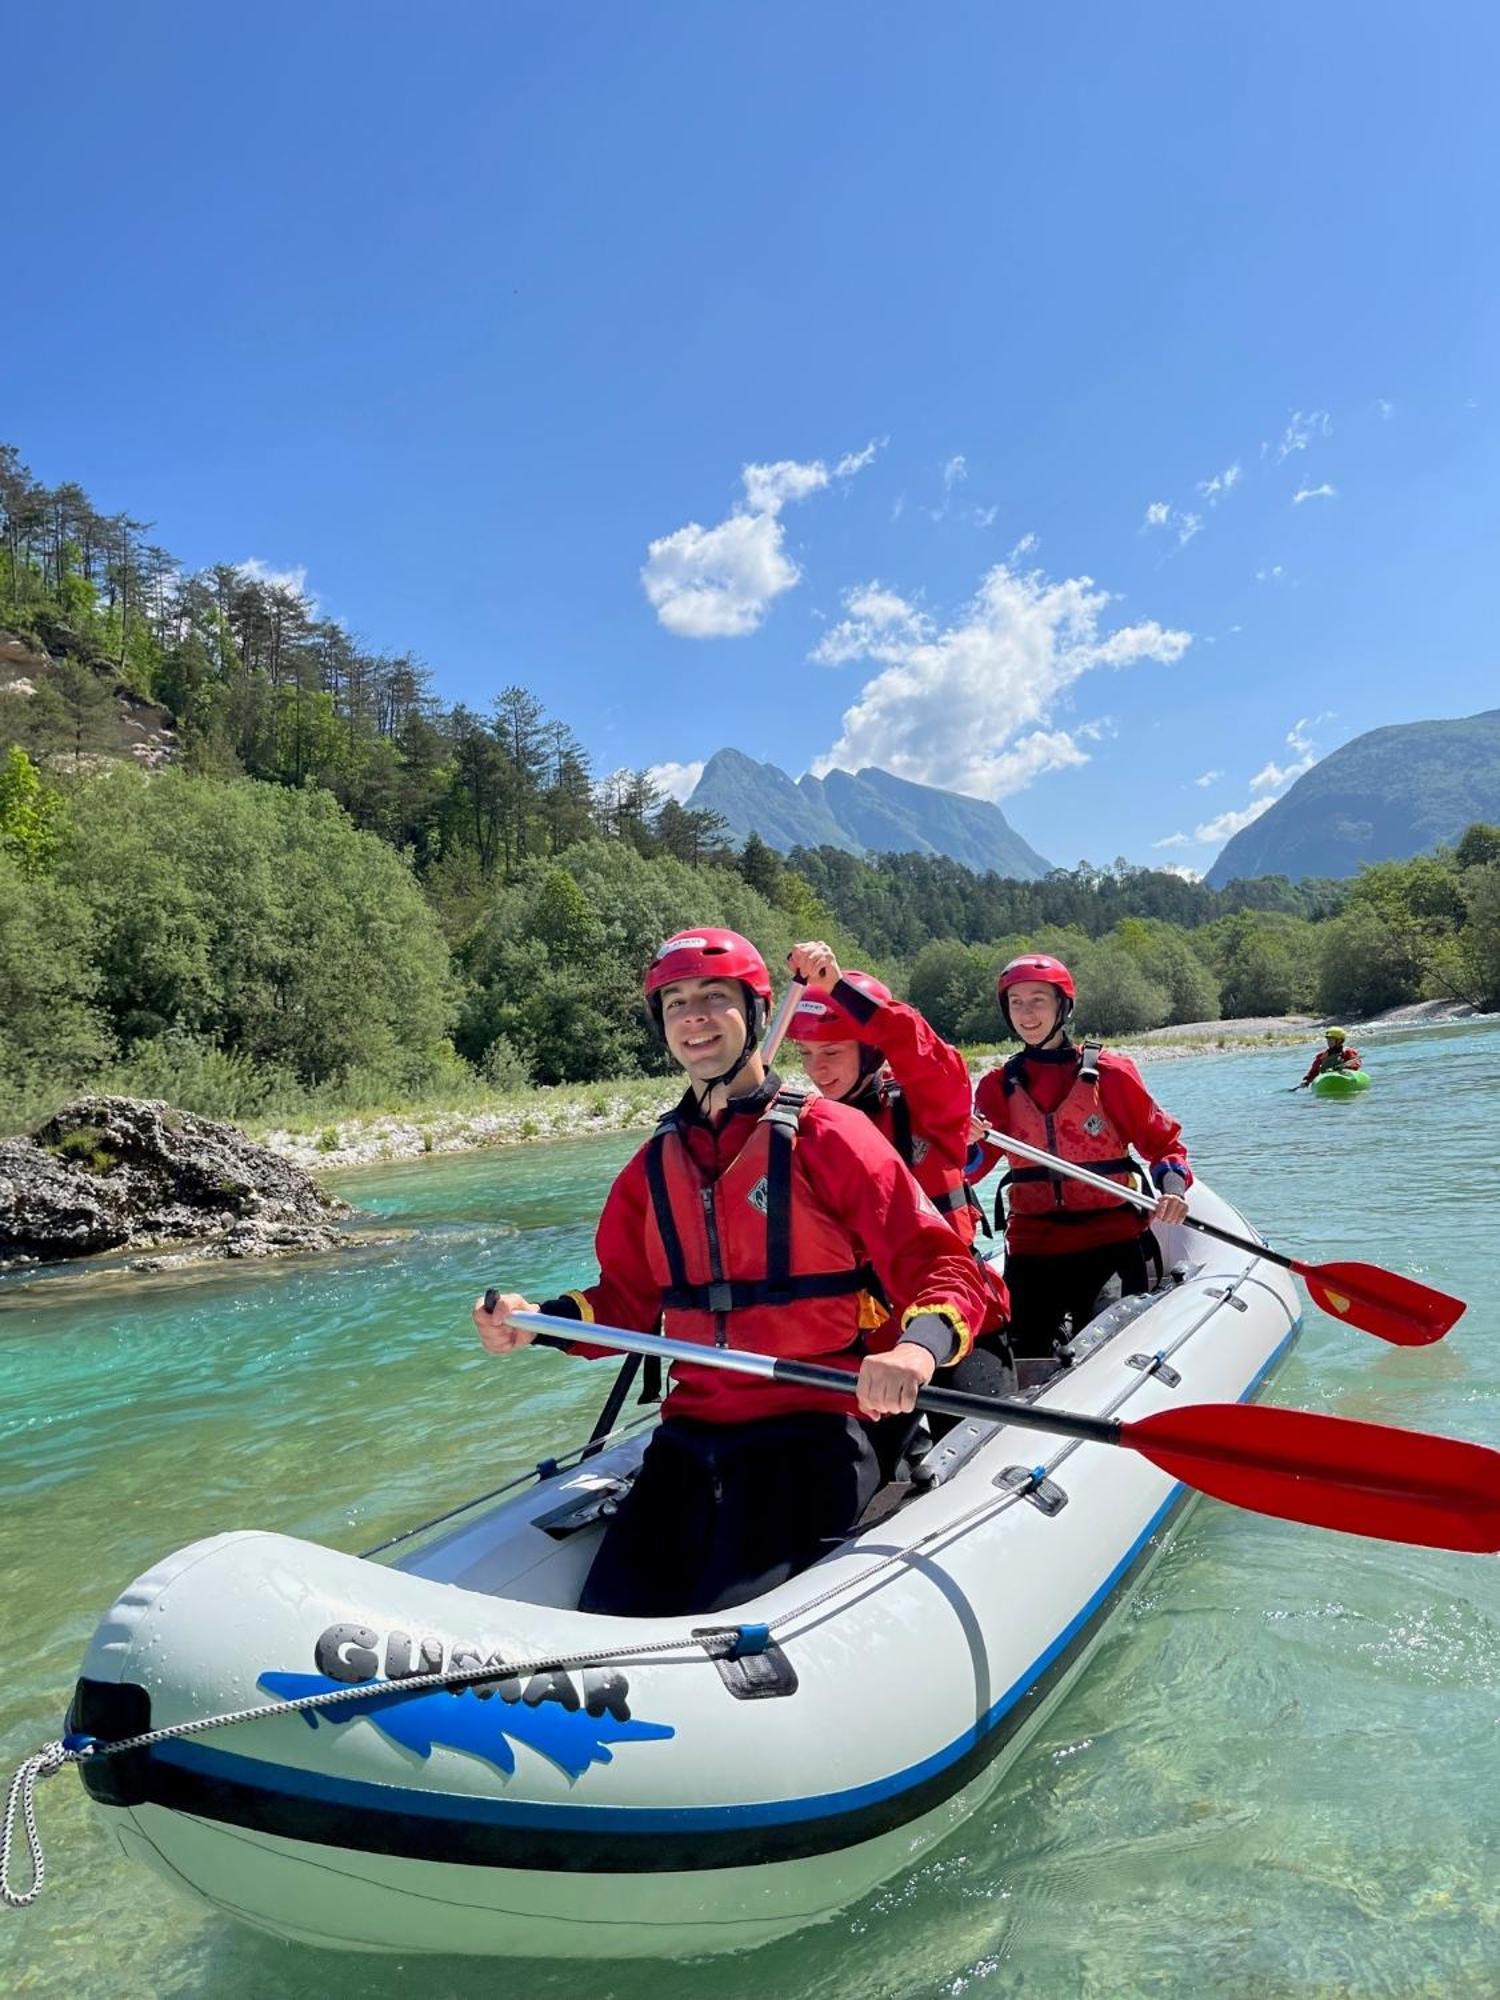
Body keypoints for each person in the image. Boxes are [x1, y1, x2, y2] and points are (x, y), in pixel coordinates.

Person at [473, 927, 996, 1619]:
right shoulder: (651, 1167)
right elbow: (625, 1305)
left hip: (813, 1427)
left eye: (713, 997)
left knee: (731, 1607)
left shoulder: (831, 1134)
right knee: (610, 1609)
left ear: (752, 1012)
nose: (692, 1016)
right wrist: (532, 1323)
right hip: (689, 1439)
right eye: (675, 1003)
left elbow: (943, 1265)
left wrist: (913, 1348)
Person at [967, 953, 1191, 1369]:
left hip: (1108, 1243)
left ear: (1062, 1006)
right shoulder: (999, 1086)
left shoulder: (1110, 1073)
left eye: (1038, 1000)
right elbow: (970, 1167)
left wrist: (1173, 1191)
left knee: (1106, 1351)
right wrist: (961, 1141)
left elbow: (1163, 1145)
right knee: (1023, 1357)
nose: (1027, 1012)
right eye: (1016, 1002)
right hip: (1034, 1248)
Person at [784, 940, 985, 1249]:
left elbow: (921, 1050)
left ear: (872, 1052)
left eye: (832, 1052)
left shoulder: (926, 1108)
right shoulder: (805, 1128)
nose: (817, 1070)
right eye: (805, 1053)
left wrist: (838, 989)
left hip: (941, 1287)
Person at [1296, 1026, 1362, 1089]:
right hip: (1328, 1078)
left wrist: (1344, 1067)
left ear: (1339, 1040)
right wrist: (1307, 1080)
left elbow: (1356, 1063)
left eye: (1331, 1039)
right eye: (1328, 1039)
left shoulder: (1348, 1051)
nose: (1328, 1042)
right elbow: (1314, 1070)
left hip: (1345, 1077)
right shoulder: (1322, 1055)